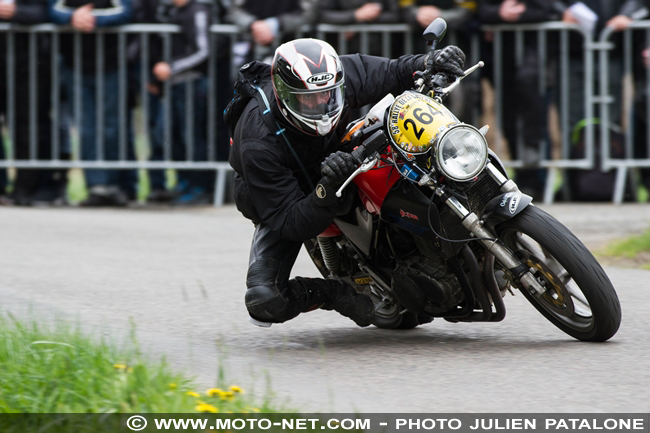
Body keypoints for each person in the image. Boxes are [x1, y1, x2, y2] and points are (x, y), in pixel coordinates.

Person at [228, 38, 465, 326]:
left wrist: (430, 62)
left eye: (327, 95)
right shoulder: (258, 142)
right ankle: (334, 292)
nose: (320, 104)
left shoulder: (336, 77)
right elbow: (291, 222)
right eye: (308, 99)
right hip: (287, 193)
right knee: (265, 300)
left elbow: (391, 71)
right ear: (284, 96)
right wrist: (326, 187)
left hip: (339, 154)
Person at [50, 0, 137, 206]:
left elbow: (125, 12)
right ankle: (96, 186)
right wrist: (72, 17)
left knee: (112, 127)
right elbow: (52, 9)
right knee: (86, 129)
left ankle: (115, 186)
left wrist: (91, 19)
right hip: (75, 66)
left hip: (111, 65)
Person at [478, 0, 561, 199]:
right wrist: (499, 12)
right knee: (509, 117)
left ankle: (536, 178)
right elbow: (481, 11)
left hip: (536, 51)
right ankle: (522, 178)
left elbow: (551, 10)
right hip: (502, 56)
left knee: (534, 115)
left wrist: (515, 14)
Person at [1, 0, 67, 205]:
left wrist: (15, 12)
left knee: (27, 125)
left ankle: (25, 187)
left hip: (29, 61)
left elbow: (45, 12)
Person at [148, 0, 214, 204]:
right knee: (170, 135)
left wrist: (172, 67)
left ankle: (200, 186)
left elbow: (203, 50)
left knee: (192, 136)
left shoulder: (198, 11)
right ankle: (184, 181)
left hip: (192, 82)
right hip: (172, 85)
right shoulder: (169, 10)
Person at [226, 0, 316, 66]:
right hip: (253, 48)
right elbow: (234, 10)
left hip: (294, 51)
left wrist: (277, 24)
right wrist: (252, 25)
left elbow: (309, 12)